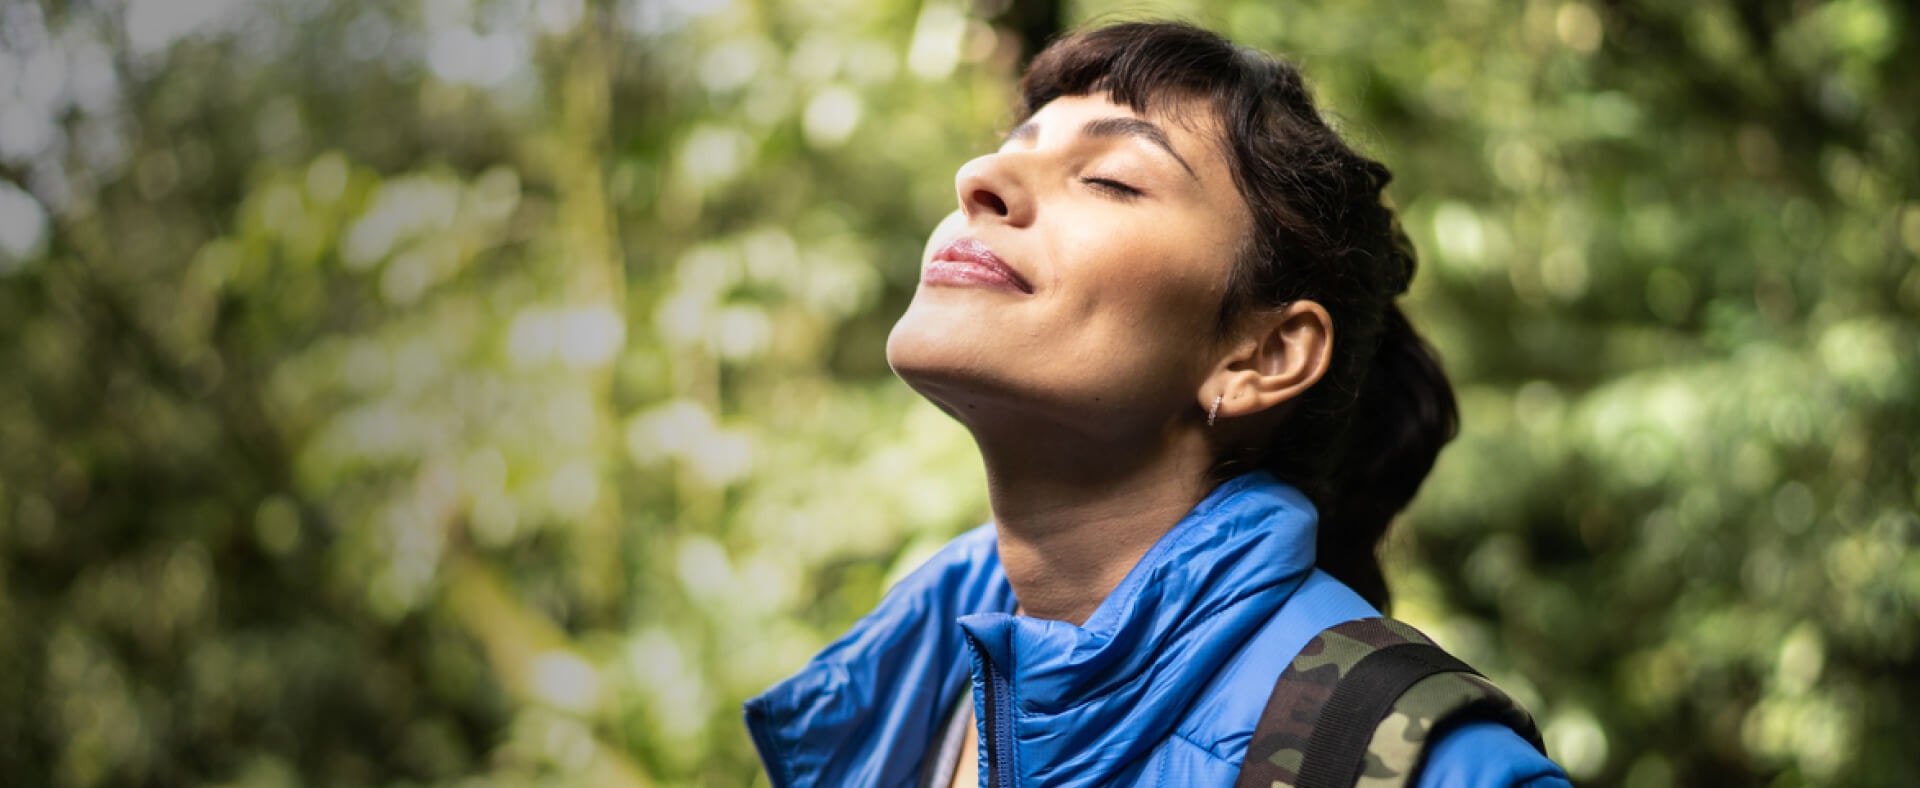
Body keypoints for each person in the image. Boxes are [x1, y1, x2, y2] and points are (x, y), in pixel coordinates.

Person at [745, 20, 1571, 788]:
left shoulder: (1435, 766)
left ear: (1261, 356)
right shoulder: (906, 693)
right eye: (1007, 150)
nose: (978, 179)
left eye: (1108, 179)